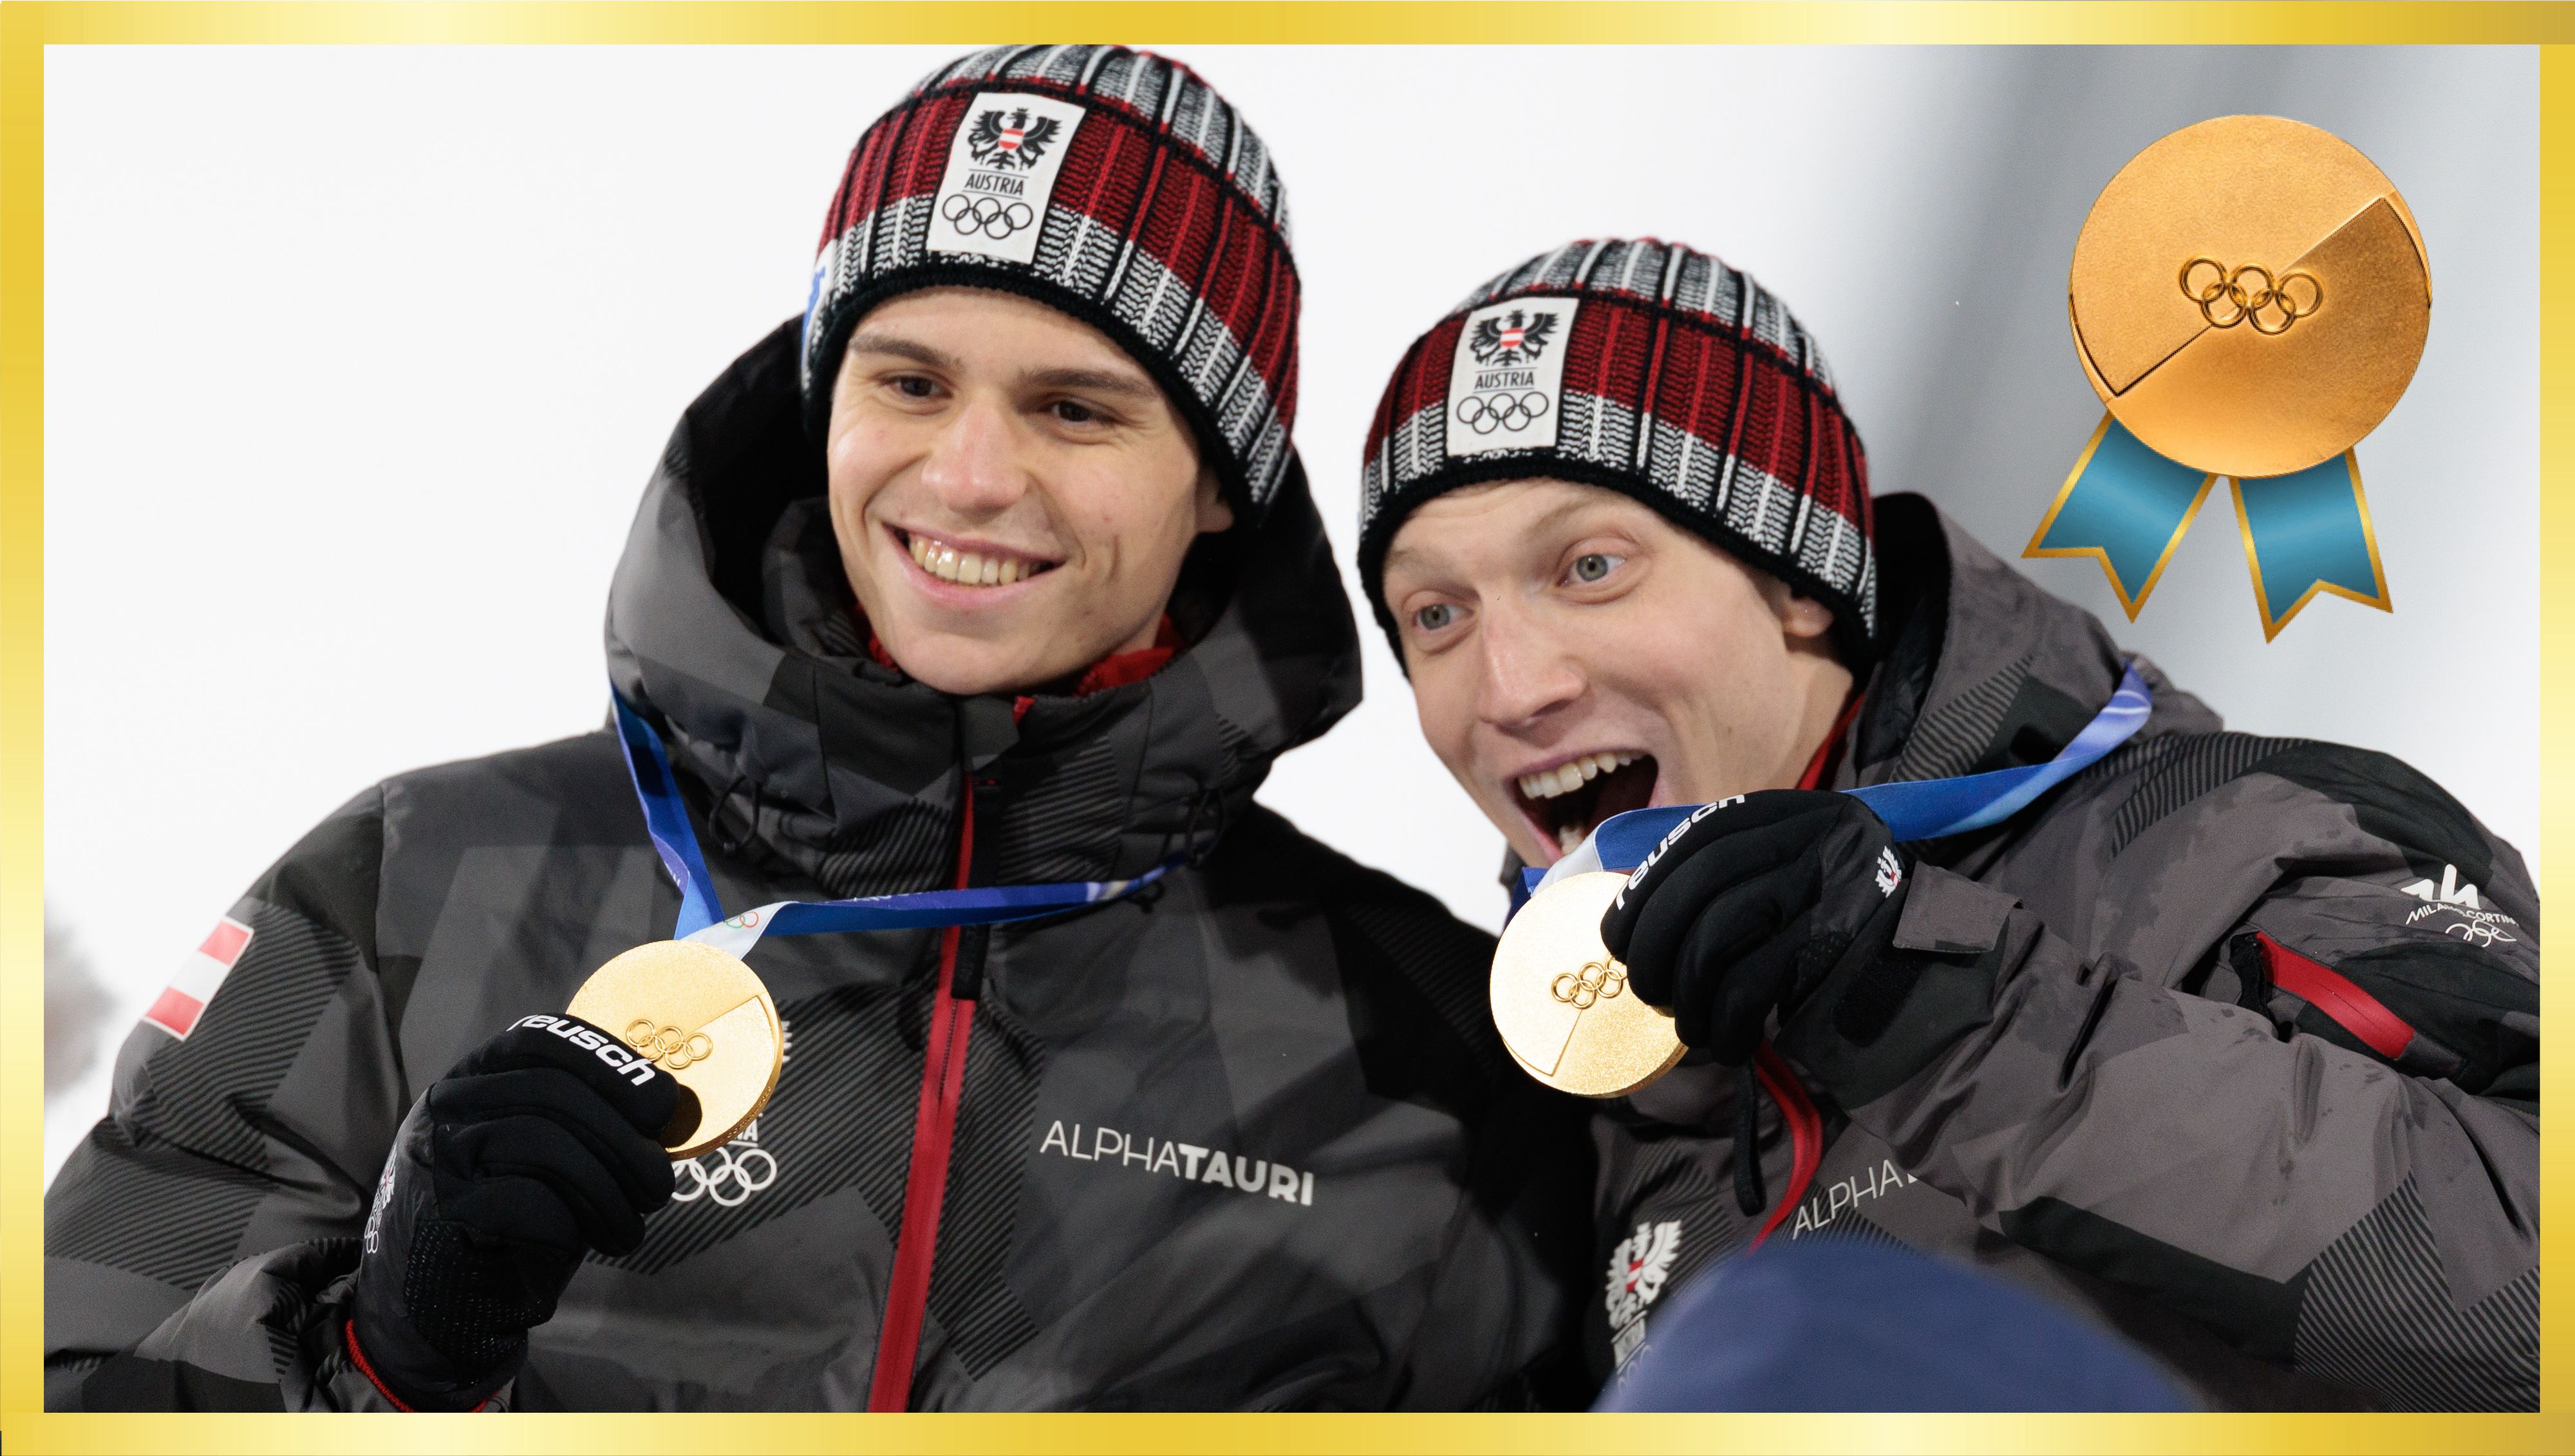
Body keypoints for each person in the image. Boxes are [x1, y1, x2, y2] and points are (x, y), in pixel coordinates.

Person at [46, 46, 1595, 1412]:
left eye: (1076, 408)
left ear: (1216, 488)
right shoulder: (417, 889)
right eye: (908, 381)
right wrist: (376, 1354)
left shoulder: (1433, 1063)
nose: (969, 475)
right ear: (823, 398)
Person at [1356, 238, 2539, 1410]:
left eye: (1591, 566)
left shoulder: (2245, 832)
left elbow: (2527, 1286)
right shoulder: (1546, 1118)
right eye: (1438, 612)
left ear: (1797, 582)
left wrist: (1940, 1007)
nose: (1510, 689)